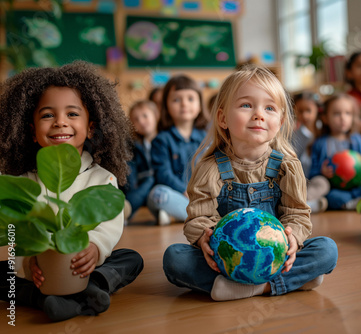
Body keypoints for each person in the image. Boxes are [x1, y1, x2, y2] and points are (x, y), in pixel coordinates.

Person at [162, 64, 338, 301]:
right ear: (223, 118)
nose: (259, 114)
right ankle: (291, 281)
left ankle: (249, 288)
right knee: (174, 258)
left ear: (281, 120)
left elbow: (296, 213)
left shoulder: (287, 165)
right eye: (246, 105)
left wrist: (294, 238)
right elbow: (199, 217)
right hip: (227, 260)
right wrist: (204, 237)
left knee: (327, 250)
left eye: (269, 108)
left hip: (273, 257)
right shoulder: (210, 167)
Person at [0, 61, 144, 321]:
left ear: (90, 127)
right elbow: (15, 232)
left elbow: (110, 223)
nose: (59, 122)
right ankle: (48, 298)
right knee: (4, 272)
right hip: (43, 270)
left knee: (130, 258)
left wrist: (95, 247)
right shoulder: (23, 183)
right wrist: (27, 261)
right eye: (47, 115)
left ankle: (94, 287)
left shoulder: (102, 178)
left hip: (83, 265)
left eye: (72, 114)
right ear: (32, 132)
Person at [150, 75, 208, 224]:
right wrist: (185, 191)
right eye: (176, 100)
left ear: (200, 105)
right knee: (157, 194)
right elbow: (163, 173)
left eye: (190, 99)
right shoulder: (161, 140)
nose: (184, 104)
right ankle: (199, 216)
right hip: (176, 194)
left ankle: (179, 214)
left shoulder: (207, 138)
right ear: (166, 106)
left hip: (203, 196)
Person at [308, 93, 361, 212]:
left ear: (353, 117)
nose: (343, 118)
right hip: (332, 188)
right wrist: (322, 172)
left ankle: (352, 201)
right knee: (323, 187)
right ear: (325, 118)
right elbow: (312, 172)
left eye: (347, 113)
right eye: (336, 113)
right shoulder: (320, 143)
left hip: (356, 185)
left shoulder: (356, 139)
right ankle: (354, 202)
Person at [123, 100, 160, 223]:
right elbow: (132, 171)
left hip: (162, 183)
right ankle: (125, 210)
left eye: (145, 116)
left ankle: (127, 211)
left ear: (156, 115)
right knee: (148, 181)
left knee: (152, 179)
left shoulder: (164, 140)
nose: (141, 122)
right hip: (143, 184)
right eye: (136, 120)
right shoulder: (135, 146)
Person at [291, 91, 322, 177]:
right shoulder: (295, 134)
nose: (304, 115)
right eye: (300, 111)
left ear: (317, 109)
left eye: (308, 110)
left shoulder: (323, 130)